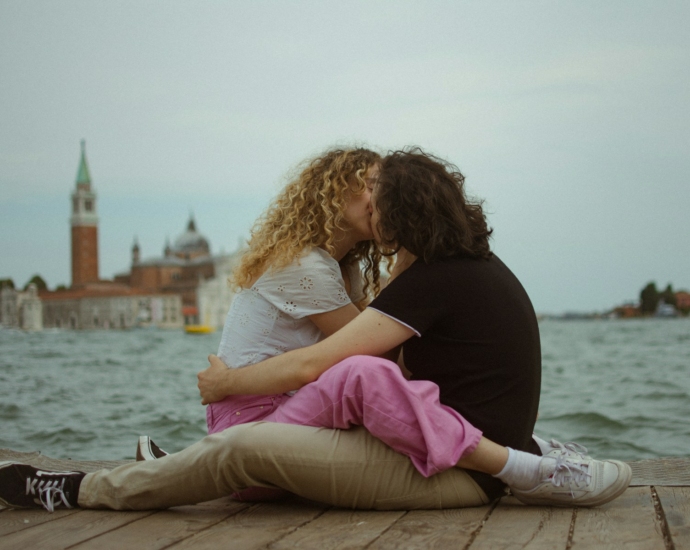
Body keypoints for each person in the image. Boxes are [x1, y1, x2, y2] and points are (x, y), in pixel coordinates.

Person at [0, 148, 631, 512]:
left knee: (345, 382)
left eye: (377, 199)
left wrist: (227, 384)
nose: (370, 207)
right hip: (400, 446)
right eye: (363, 195)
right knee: (357, 375)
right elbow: (350, 368)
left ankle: (85, 489)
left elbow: (326, 366)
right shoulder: (453, 269)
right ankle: (533, 461)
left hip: (445, 468)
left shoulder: (424, 276)